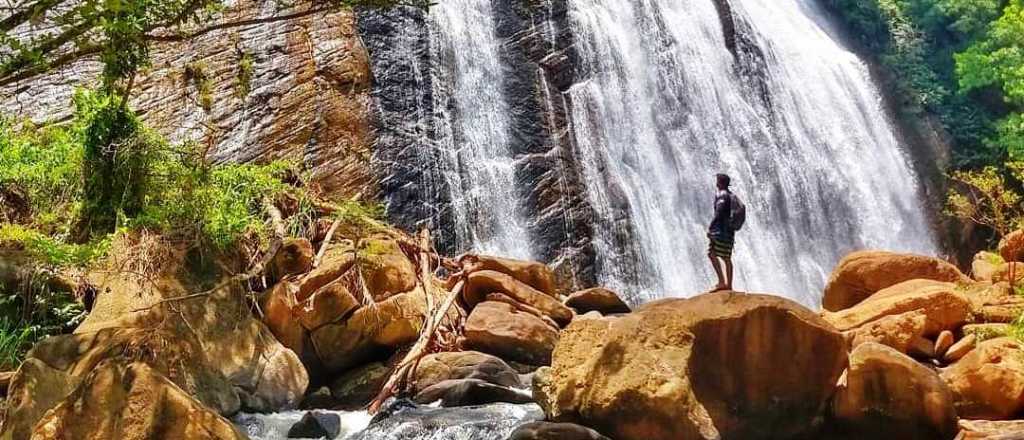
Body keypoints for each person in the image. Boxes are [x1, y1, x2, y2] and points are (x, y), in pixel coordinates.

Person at [708, 173, 735, 292]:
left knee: (712, 254)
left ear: (721, 183)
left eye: (717, 181)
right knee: (726, 257)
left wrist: (711, 227)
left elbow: (719, 212)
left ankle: (721, 282)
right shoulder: (731, 195)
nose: (716, 183)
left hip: (720, 231)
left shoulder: (722, 195)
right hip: (729, 231)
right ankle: (728, 284)